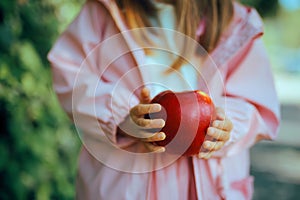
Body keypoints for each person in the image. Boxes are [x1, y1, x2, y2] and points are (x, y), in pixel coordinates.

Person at [47, 0, 280, 199]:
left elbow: (255, 102)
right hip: (124, 188)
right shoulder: (104, 12)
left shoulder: (235, 23)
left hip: (211, 188)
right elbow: (73, 75)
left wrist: (226, 126)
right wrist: (121, 118)